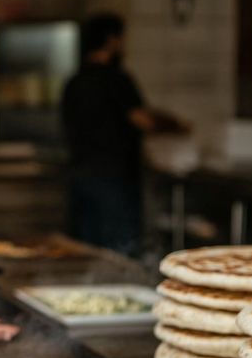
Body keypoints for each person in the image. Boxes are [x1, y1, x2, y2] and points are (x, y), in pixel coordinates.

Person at [61, 14, 180, 255]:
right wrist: (175, 124)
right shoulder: (116, 79)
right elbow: (142, 120)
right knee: (119, 251)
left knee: (84, 251)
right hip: (114, 178)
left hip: (79, 175)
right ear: (112, 41)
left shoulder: (74, 81)